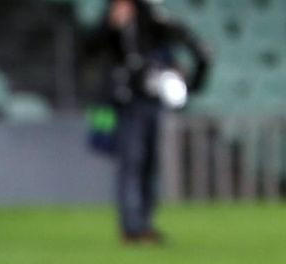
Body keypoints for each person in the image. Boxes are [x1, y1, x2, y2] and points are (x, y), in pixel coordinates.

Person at [84, 0, 210, 244]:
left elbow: (178, 40)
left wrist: (183, 71)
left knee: (150, 163)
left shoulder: (150, 16)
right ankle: (131, 226)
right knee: (132, 160)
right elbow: (91, 49)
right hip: (126, 103)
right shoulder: (113, 16)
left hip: (151, 99)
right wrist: (112, 26)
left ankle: (145, 222)